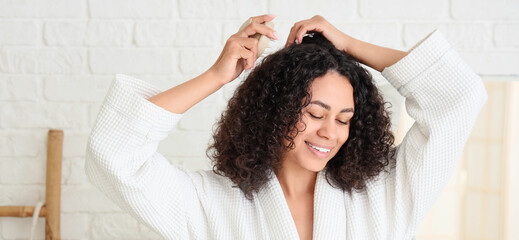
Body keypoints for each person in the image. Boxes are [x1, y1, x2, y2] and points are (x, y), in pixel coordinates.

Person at [85, 14, 487, 239]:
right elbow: (115, 156)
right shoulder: (213, 204)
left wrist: (347, 45)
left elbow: (458, 97)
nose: (330, 132)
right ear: (274, 111)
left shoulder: (384, 195)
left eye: (344, 120)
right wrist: (215, 76)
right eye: (314, 114)